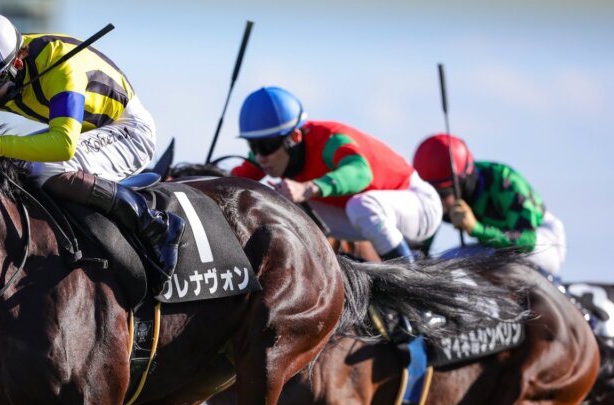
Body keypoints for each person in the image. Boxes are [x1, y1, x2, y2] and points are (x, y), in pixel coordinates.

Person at [0, 10, 183, 286]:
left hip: (129, 131)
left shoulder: (61, 66)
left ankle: (155, 225)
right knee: (10, 167)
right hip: (84, 131)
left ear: (18, 62)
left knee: (46, 165)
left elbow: (63, 145)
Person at [231, 86, 442, 262]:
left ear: (294, 137)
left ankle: (413, 286)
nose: (259, 157)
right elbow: (230, 182)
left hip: (419, 205)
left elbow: (361, 173)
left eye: (266, 146)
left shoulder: (330, 140)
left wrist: (307, 188)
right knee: (278, 204)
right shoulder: (267, 154)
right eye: (253, 146)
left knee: (360, 205)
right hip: (366, 218)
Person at [412, 134, 566, 276]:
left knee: (503, 261)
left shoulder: (504, 181)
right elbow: (421, 252)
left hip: (542, 241)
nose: (438, 201)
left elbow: (527, 242)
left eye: (444, 193)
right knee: (443, 264)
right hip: (493, 247)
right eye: (430, 193)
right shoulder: (438, 198)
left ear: (465, 179)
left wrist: (476, 229)